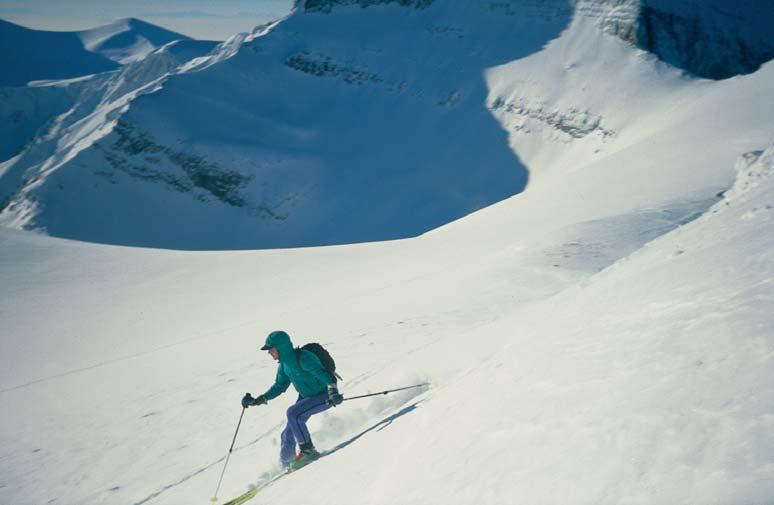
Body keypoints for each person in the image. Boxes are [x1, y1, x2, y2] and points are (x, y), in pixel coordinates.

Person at [241, 330, 343, 469]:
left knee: (293, 414)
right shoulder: (284, 365)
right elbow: (279, 386)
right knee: (287, 434)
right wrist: (259, 399)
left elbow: (325, 375)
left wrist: (333, 392)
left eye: (271, 349)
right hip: (306, 398)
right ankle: (287, 464)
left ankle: (308, 451)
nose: (269, 352)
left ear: (280, 348)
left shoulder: (304, 358)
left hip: (324, 396)